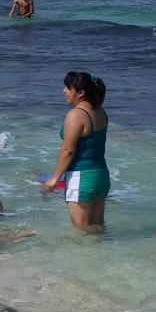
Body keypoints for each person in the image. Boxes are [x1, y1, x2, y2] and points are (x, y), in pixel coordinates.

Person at [42, 71, 110, 232]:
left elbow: (68, 150)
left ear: (80, 93)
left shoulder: (76, 115)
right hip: (101, 175)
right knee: (98, 227)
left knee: (82, 233)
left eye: (68, 87)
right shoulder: (100, 111)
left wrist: (54, 179)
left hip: (82, 177)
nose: (64, 91)